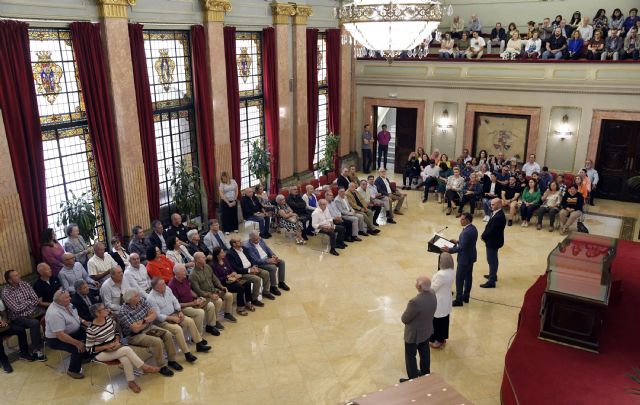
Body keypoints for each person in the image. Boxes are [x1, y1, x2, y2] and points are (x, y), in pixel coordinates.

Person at [86, 303, 159, 393]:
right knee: (126, 349)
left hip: (115, 348)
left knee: (125, 359)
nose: (107, 310)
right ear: (97, 313)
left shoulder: (108, 319)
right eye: (104, 309)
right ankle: (144, 367)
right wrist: (106, 346)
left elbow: (116, 333)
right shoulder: (91, 329)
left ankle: (131, 382)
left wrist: (116, 341)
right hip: (101, 353)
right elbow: (89, 349)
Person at [147, 277, 211, 362]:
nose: (165, 285)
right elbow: (157, 316)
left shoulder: (167, 289)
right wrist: (172, 318)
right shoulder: (151, 298)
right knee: (178, 329)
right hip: (162, 321)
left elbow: (175, 300)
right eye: (162, 284)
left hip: (175, 313)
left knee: (190, 321)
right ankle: (187, 353)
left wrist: (179, 311)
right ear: (156, 288)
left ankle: (199, 344)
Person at [118, 289, 180, 377]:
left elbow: (154, 314)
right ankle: (161, 366)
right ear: (129, 300)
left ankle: (172, 360)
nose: (139, 295)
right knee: (157, 341)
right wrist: (148, 319)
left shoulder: (141, 301)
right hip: (134, 336)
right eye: (136, 295)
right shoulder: (123, 312)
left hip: (149, 327)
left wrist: (144, 320)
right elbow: (135, 330)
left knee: (167, 334)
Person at [45, 290, 92, 378]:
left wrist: (84, 322)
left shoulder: (67, 304)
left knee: (91, 334)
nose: (70, 298)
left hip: (72, 332)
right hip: (57, 339)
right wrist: (77, 343)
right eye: (67, 297)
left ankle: (85, 356)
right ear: (59, 301)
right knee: (77, 348)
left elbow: (75, 315)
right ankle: (73, 371)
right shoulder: (54, 314)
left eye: (69, 296)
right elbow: (60, 335)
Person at [1, 270, 46, 361]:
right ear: (10, 280)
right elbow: (16, 309)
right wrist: (29, 302)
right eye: (15, 275)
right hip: (17, 317)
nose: (19, 276)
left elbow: (35, 299)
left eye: (18, 274)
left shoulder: (25, 284)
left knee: (48, 313)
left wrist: (27, 304)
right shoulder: (6, 292)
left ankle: (51, 338)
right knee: (34, 323)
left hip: (32, 311)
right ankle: (36, 350)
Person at [399, 276, 437, 382]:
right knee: (425, 353)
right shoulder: (433, 293)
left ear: (419, 286)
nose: (415, 282)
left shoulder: (415, 302)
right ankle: (425, 373)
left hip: (413, 334)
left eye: (416, 282)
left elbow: (405, 319)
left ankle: (413, 380)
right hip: (427, 329)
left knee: (410, 356)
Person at [169, 263, 224, 336]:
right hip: (184, 308)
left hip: (193, 302)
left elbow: (189, 290)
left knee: (210, 305)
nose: (186, 272)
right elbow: (177, 304)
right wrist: (193, 303)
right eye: (184, 271)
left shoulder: (184, 278)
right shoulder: (172, 285)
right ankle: (197, 336)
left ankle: (210, 326)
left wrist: (198, 297)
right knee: (200, 312)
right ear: (178, 273)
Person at [189, 251, 237, 324]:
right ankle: (215, 320)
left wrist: (221, 287)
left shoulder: (207, 267)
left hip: (214, 291)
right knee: (218, 301)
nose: (206, 258)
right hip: (205, 296)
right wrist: (210, 295)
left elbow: (215, 279)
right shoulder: (193, 274)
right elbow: (198, 291)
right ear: (198, 260)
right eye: (203, 257)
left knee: (229, 295)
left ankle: (227, 314)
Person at [442, 213, 478, 307]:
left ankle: (459, 300)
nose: (460, 221)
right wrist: (458, 241)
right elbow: (467, 242)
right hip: (471, 257)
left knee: (459, 279)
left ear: (467, 220)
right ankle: (466, 297)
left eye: (462, 219)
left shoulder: (466, 232)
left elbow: (461, 248)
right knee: (468, 277)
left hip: (464, 259)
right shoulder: (473, 228)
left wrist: (449, 250)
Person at [226, 237, 275, 303]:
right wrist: (249, 270)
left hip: (252, 267)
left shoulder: (244, 249)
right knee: (257, 279)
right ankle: (254, 299)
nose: (241, 242)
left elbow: (252, 259)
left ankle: (266, 292)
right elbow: (236, 268)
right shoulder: (230, 254)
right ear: (234, 244)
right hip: (243, 272)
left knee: (266, 273)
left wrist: (254, 266)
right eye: (239, 241)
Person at [210, 247, 254, 316]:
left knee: (247, 283)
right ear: (217, 255)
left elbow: (231, 269)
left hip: (232, 280)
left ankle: (248, 302)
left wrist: (234, 273)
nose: (224, 253)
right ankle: (240, 308)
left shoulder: (225, 260)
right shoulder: (213, 265)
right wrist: (227, 276)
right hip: (223, 283)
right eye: (222, 252)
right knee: (240, 288)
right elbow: (216, 279)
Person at [244, 231, 290, 296]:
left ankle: (281, 282)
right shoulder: (248, 247)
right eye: (255, 240)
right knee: (272, 267)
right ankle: (273, 287)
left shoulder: (260, 239)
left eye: (258, 238)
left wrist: (273, 255)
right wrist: (268, 261)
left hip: (267, 258)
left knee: (282, 262)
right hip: (260, 263)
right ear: (250, 238)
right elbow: (256, 260)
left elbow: (267, 249)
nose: (257, 241)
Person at [1, 298, 36, 372]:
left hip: (3, 326)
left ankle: (24, 353)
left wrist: (4, 321)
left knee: (20, 330)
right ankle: (4, 362)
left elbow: (3, 313)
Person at [429, 253, 455, 349]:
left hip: (439, 300)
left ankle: (437, 341)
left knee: (437, 322)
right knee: (444, 320)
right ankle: (442, 338)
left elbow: (433, 288)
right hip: (446, 298)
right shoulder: (452, 271)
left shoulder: (441, 274)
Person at [480, 199, 506, 289]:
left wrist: (483, 236)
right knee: (493, 259)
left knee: (491, 260)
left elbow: (491, 230)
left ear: (499, 204)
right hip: (494, 240)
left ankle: (491, 281)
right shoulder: (497, 213)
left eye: (493, 205)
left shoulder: (499, 217)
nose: (491, 206)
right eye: (491, 205)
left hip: (493, 241)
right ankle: (493, 275)